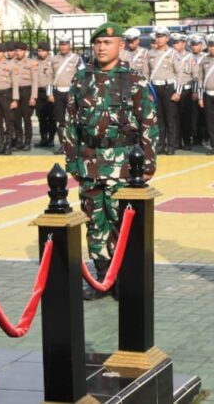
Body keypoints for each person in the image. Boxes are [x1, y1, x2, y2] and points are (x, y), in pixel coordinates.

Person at [63, 22, 158, 300]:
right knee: (94, 221)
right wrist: (72, 161)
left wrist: (149, 164)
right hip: (90, 162)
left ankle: (125, 279)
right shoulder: (81, 79)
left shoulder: (134, 79)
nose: (102, 47)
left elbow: (149, 123)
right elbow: (70, 122)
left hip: (123, 163)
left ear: (120, 46)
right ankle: (102, 277)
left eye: (108, 43)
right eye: (98, 43)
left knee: (121, 222)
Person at [148, 26, 181, 155]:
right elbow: (146, 73)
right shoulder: (150, 53)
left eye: (162, 36)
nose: (159, 39)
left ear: (167, 38)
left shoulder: (173, 53)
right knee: (158, 119)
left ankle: (171, 145)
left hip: (169, 88)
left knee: (170, 118)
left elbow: (179, 73)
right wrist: (148, 92)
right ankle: (160, 145)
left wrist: (177, 91)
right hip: (155, 88)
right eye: (157, 36)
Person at [52, 35, 83, 153]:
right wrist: (50, 93)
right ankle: (62, 145)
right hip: (58, 92)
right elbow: (50, 77)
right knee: (60, 120)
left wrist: (78, 92)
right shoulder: (54, 59)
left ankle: (75, 145)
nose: (63, 47)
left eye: (65, 44)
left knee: (73, 119)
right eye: (61, 44)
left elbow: (81, 75)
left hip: (71, 92)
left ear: (69, 45)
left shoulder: (76, 58)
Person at [10, 41, 38, 151]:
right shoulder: (11, 63)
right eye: (16, 50)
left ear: (25, 52)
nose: (18, 52)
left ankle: (27, 142)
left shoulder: (32, 63)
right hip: (15, 93)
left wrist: (33, 97)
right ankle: (19, 141)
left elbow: (35, 81)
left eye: (21, 50)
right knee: (16, 119)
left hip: (27, 92)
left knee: (27, 119)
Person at [171, 32, 196, 149]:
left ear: (183, 43)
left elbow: (195, 75)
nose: (175, 45)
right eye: (174, 42)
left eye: (178, 42)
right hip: (172, 90)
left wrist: (195, 91)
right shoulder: (170, 55)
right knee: (174, 118)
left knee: (186, 117)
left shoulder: (190, 57)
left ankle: (186, 141)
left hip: (186, 91)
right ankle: (176, 142)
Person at [34, 41, 57, 147]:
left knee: (51, 117)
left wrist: (51, 94)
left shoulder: (53, 62)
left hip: (49, 92)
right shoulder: (34, 62)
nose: (41, 53)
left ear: (48, 51)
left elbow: (53, 79)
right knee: (41, 117)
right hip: (38, 92)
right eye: (39, 51)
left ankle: (51, 139)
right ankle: (43, 138)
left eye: (43, 51)